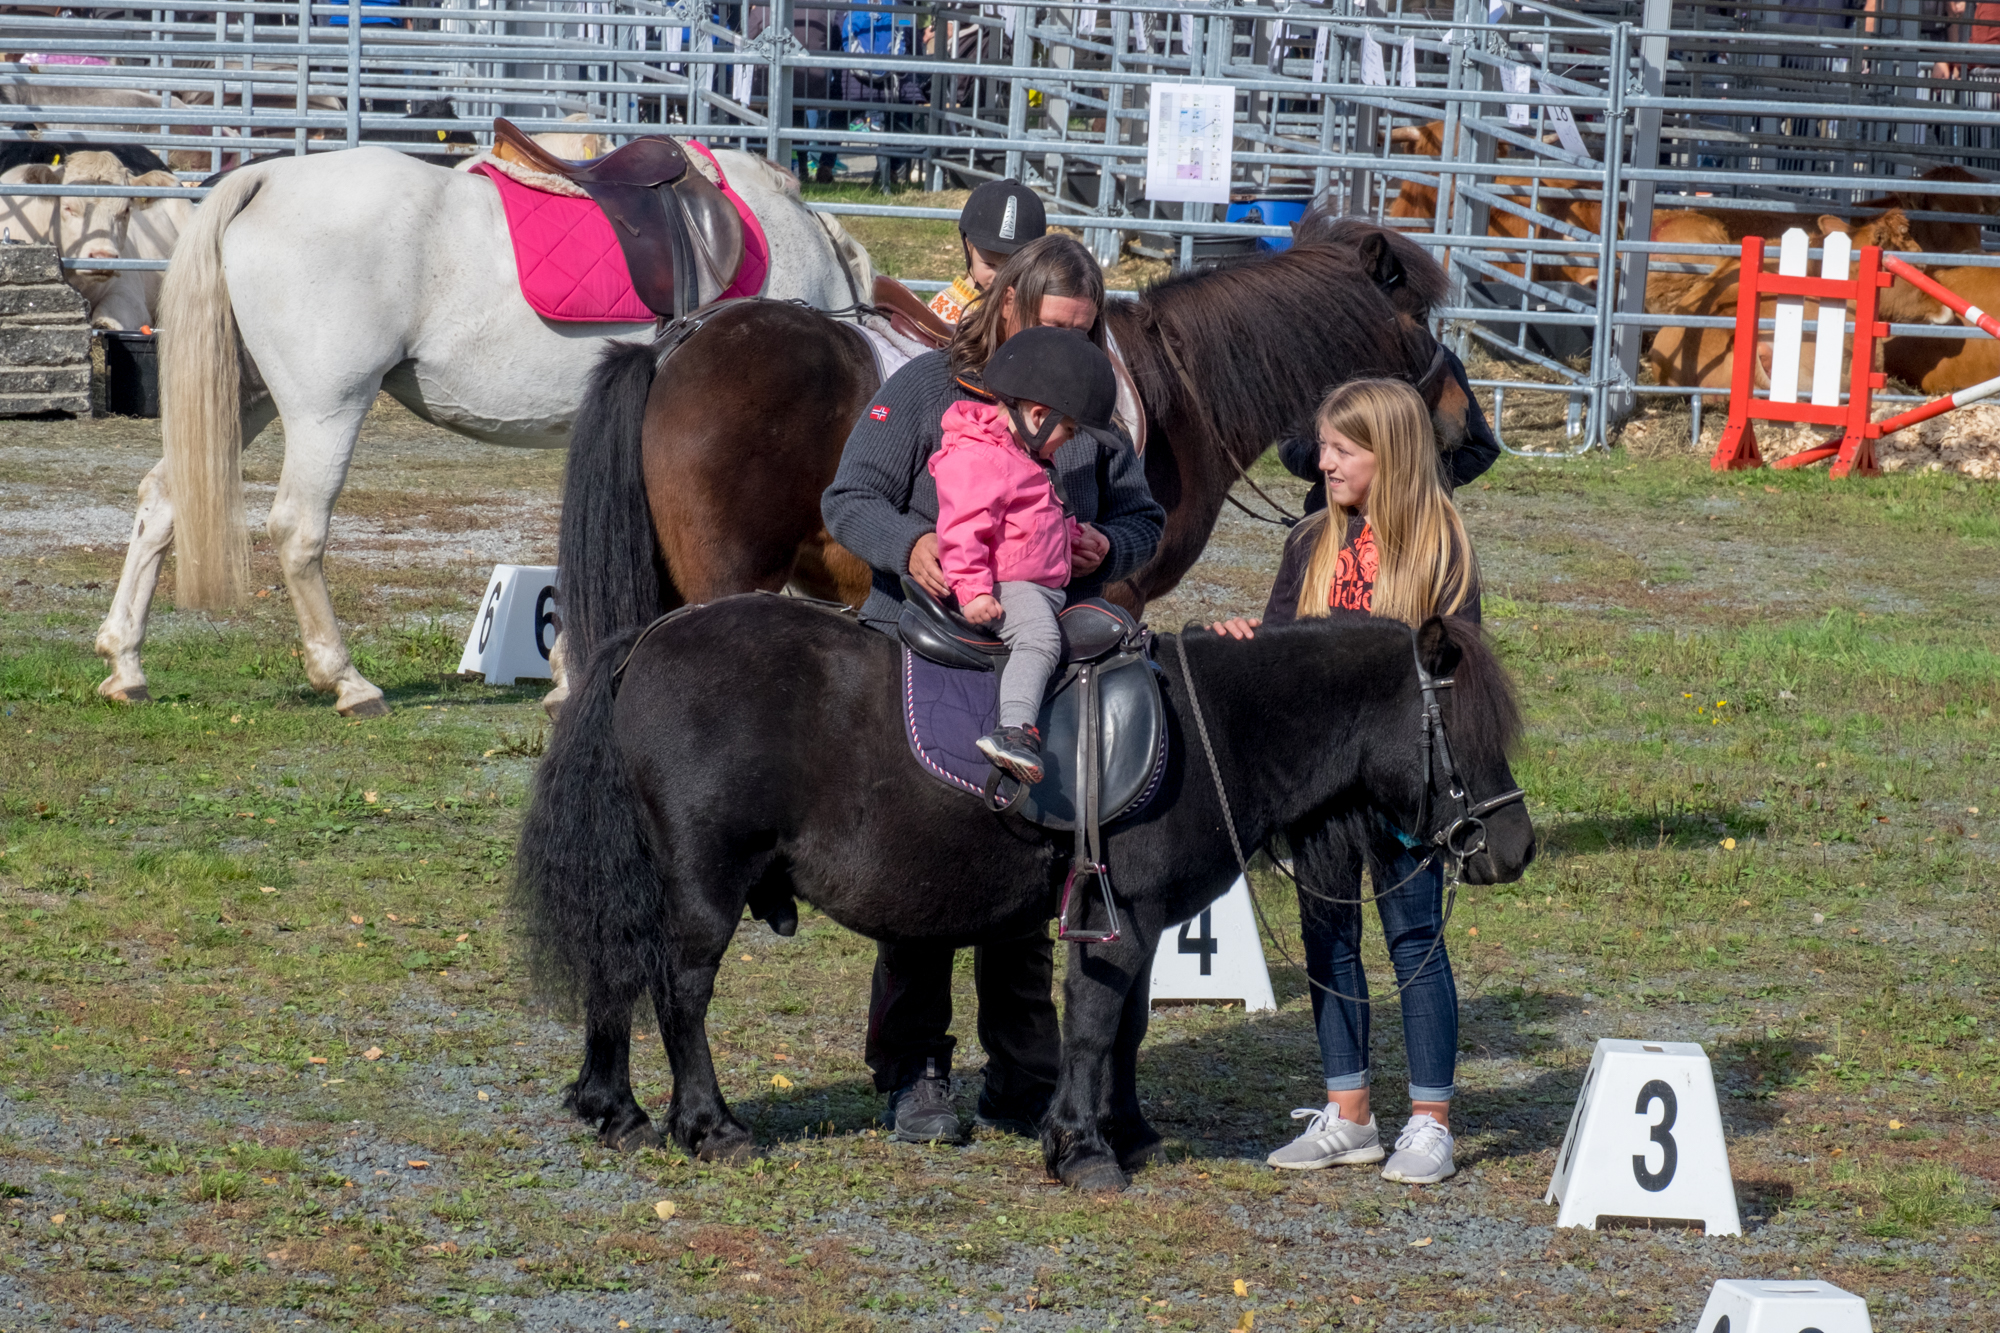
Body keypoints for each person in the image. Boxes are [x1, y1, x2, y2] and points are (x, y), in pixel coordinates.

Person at [822, 232, 1164, 1145]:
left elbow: (1144, 517)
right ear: (1010, 308)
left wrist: (1111, 547)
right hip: (918, 643)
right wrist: (911, 547)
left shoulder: (1094, 407)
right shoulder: (929, 389)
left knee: (1035, 854)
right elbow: (849, 496)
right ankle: (912, 1068)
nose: (1073, 350)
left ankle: (1024, 1065)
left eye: (1087, 333)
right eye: (1057, 328)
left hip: (1041, 649)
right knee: (921, 864)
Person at [1209, 378, 1481, 1186]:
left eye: (1341, 449)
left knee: (1414, 943)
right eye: (1323, 446)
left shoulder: (1444, 549)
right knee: (1329, 941)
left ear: (1388, 454)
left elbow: (1456, 669)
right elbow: (1287, 649)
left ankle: (1430, 1122)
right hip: (1320, 786)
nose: (1321, 461)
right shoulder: (1308, 542)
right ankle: (1349, 1111)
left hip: (1399, 788)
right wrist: (1250, 644)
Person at [931, 326, 1119, 782]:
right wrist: (974, 591)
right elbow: (960, 531)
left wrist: (1075, 537)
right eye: (1070, 430)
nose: (1070, 441)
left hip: (1045, 587)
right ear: (1038, 415)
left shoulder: (1026, 456)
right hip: (1011, 590)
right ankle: (1013, 731)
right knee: (1040, 640)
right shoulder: (982, 460)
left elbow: (1034, 520)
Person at [928, 179, 1048, 324]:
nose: (1000, 277)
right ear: (968, 246)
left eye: (1013, 268)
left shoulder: (1037, 310)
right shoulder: (943, 309)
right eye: (990, 264)